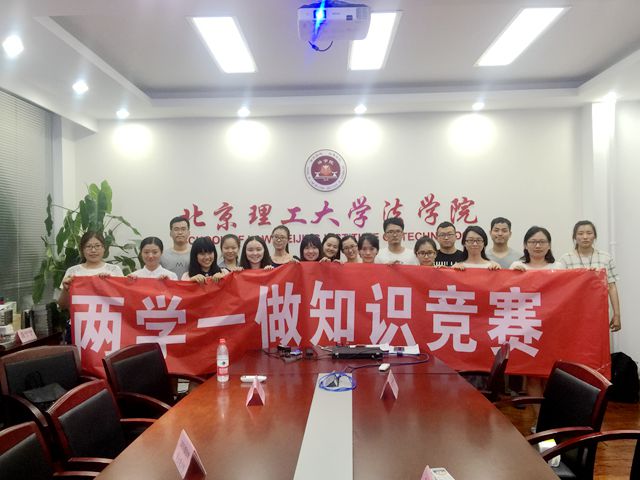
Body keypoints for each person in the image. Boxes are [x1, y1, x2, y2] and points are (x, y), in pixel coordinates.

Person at [559, 220, 621, 332]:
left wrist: (617, 314)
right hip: (573, 313)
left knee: (599, 341)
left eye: (589, 233)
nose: (585, 237)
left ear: (594, 236)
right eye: (580, 233)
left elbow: (611, 287)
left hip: (599, 312)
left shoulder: (605, 257)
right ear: (575, 237)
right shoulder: (565, 259)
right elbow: (561, 289)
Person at [58, 231, 123, 309]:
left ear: (104, 248)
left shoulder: (114, 270)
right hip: (81, 316)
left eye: (97, 246)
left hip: (108, 315)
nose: (93, 250)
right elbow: (63, 306)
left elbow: (122, 300)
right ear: (82, 249)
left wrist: (109, 284)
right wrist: (65, 289)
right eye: (88, 246)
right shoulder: (72, 272)